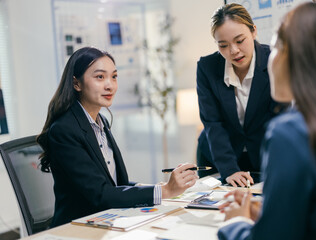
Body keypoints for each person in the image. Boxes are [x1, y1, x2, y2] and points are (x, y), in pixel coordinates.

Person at [218, 2, 316, 239]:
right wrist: (273, 212)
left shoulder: (290, 133)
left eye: (274, 46)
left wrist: (235, 223)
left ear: (296, 56)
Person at [37, 47, 198, 227]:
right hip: (79, 227)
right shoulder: (64, 130)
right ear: (77, 83)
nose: (110, 85)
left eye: (114, 76)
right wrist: (165, 190)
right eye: (100, 77)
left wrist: (156, 188)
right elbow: (101, 194)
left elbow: (115, 184)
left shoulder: (100, 121)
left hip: (109, 219)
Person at [196, 3, 278, 186]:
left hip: (264, 155)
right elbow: (212, 122)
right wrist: (230, 170)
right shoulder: (206, 68)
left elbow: (278, 119)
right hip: (219, 157)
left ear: (254, 31)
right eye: (223, 45)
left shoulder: (275, 60)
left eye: (239, 41)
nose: (233, 51)